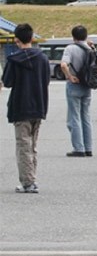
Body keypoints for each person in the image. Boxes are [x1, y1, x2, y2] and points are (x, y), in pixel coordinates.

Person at [2, 23, 50, 193]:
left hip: (21, 105)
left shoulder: (14, 60)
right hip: (39, 104)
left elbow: (7, 82)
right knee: (32, 145)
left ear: (17, 40)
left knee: (23, 145)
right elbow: (46, 81)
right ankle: (31, 178)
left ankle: (27, 182)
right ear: (31, 38)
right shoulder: (43, 59)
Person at [60, 25, 95, 157]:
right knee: (86, 116)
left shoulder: (70, 48)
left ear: (73, 36)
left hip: (74, 84)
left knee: (74, 117)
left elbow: (63, 64)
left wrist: (69, 76)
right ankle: (88, 147)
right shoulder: (90, 48)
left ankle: (78, 148)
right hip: (87, 85)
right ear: (86, 36)